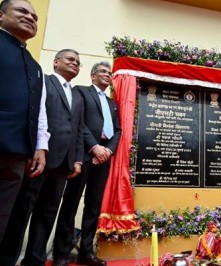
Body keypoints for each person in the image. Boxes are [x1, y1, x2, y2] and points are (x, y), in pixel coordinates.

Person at [0, 48, 85, 266]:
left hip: (63, 164)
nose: (75, 63)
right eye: (70, 59)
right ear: (56, 62)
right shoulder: (43, 82)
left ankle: (34, 260)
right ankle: (8, 258)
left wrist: (76, 159)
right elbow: (34, 117)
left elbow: (77, 129)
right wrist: (33, 149)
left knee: (47, 215)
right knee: (22, 212)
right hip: (40, 159)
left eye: (78, 62)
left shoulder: (76, 95)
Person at [52, 61, 121, 266]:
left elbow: (118, 130)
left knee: (94, 205)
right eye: (102, 71)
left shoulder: (112, 103)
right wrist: (94, 147)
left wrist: (108, 150)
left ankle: (86, 252)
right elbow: (78, 122)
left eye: (109, 73)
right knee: (71, 203)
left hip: (104, 157)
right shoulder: (81, 92)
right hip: (84, 153)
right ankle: (61, 253)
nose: (107, 75)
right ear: (92, 76)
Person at [0, 0, 49, 243]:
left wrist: (40, 145)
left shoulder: (34, 65)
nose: (30, 18)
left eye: (35, 16)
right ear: (1, 16)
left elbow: (37, 110)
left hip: (17, 156)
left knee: (3, 219)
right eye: (22, 11)